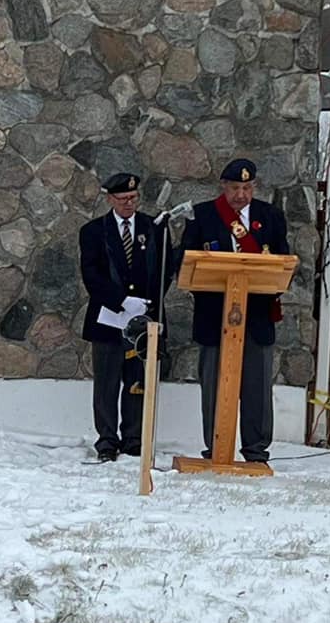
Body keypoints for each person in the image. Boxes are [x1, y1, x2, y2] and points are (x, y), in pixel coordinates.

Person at [181, 157, 290, 464]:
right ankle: (216, 448)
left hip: (257, 316)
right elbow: (186, 261)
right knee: (214, 386)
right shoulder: (202, 215)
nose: (241, 195)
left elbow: (282, 261)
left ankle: (256, 450)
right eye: (234, 188)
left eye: (247, 188)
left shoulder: (270, 216)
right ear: (223, 186)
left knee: (257, 388)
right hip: (214, 315)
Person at [78, 171, 173, 462]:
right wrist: (121, 301)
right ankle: (107, 441)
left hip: (143, 318)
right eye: (122, 199)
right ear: (110, 199)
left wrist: (147, 304)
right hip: (109, 318)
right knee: (106, 384)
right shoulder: (94, 231)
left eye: (133, 197)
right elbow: (91, 275)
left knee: (137, 381)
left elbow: (165, 269)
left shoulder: (152, 227)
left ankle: (133, 438)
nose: (129, 203)